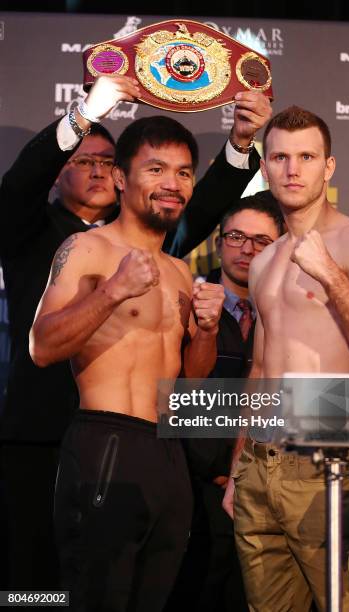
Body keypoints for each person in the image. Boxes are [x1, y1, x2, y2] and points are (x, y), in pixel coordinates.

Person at [0, 74, 271, 591]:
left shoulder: (165, 255)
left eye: (107, 160)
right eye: (87, 159)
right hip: (46, 435)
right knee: (36, 589)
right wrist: (83, 115)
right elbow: (18, 187)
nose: (99, 170)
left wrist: (240, 144)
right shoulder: (41, 229)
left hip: (154, 448)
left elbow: (190, 204)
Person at [28, 114, 225, 611]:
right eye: (156, 169)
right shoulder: (87, 248)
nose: (172, 184)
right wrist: (114, 291)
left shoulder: (181, 271)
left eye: (183, 173)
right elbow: (42, 346)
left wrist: (206, 330)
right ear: (121, 177)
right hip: (105, 444)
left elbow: (191, 382)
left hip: (167, 454)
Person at [223, 106, 349, 612]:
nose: (292, 169)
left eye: (306, 156)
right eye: (279, 156)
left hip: (329, 461)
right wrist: (239, 465)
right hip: (261, 465)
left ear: (330, 167)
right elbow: (259, 369)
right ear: (266, 165)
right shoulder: (262, 261)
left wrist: (328, 274)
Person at [167, 193, 283, 612]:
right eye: (236, 236)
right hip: (199, 490)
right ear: (218, 243)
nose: (247, 249)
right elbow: (177, 393)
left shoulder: (292, 311)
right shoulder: (187, 302)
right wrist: (218, 469)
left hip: (273, 490)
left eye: (262, 241)